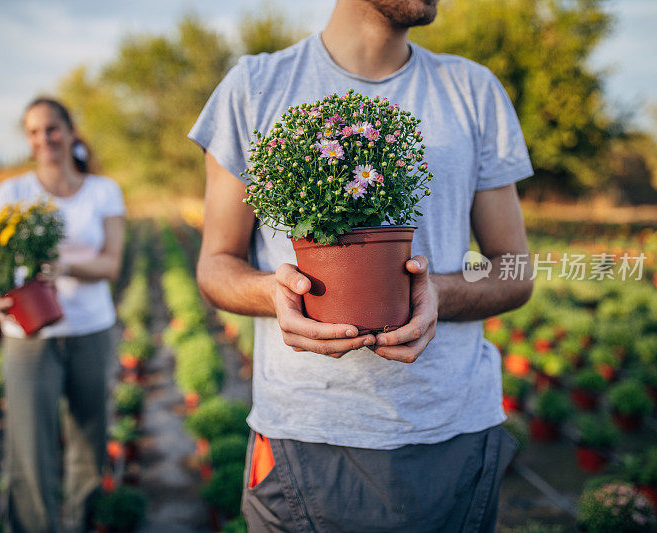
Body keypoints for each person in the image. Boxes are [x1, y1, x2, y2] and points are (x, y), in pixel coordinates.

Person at [189, 0, 535, 531]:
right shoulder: (255, 85)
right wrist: (278, 295)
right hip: (306, 439)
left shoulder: (473, 89)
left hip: (452, 434)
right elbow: (215, 265)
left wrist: (438, 292)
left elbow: (515, 269)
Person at [0, 97, 126, 533]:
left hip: (90, 328)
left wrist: (66, 266)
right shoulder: (11, 193)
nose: (44, 139)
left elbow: (111, 264)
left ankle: (82, 522)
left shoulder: (103, 191)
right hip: (27, 334)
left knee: (89, 442)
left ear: (71, 131)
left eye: (52, 128)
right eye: (34, 132)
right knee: (29, 447)